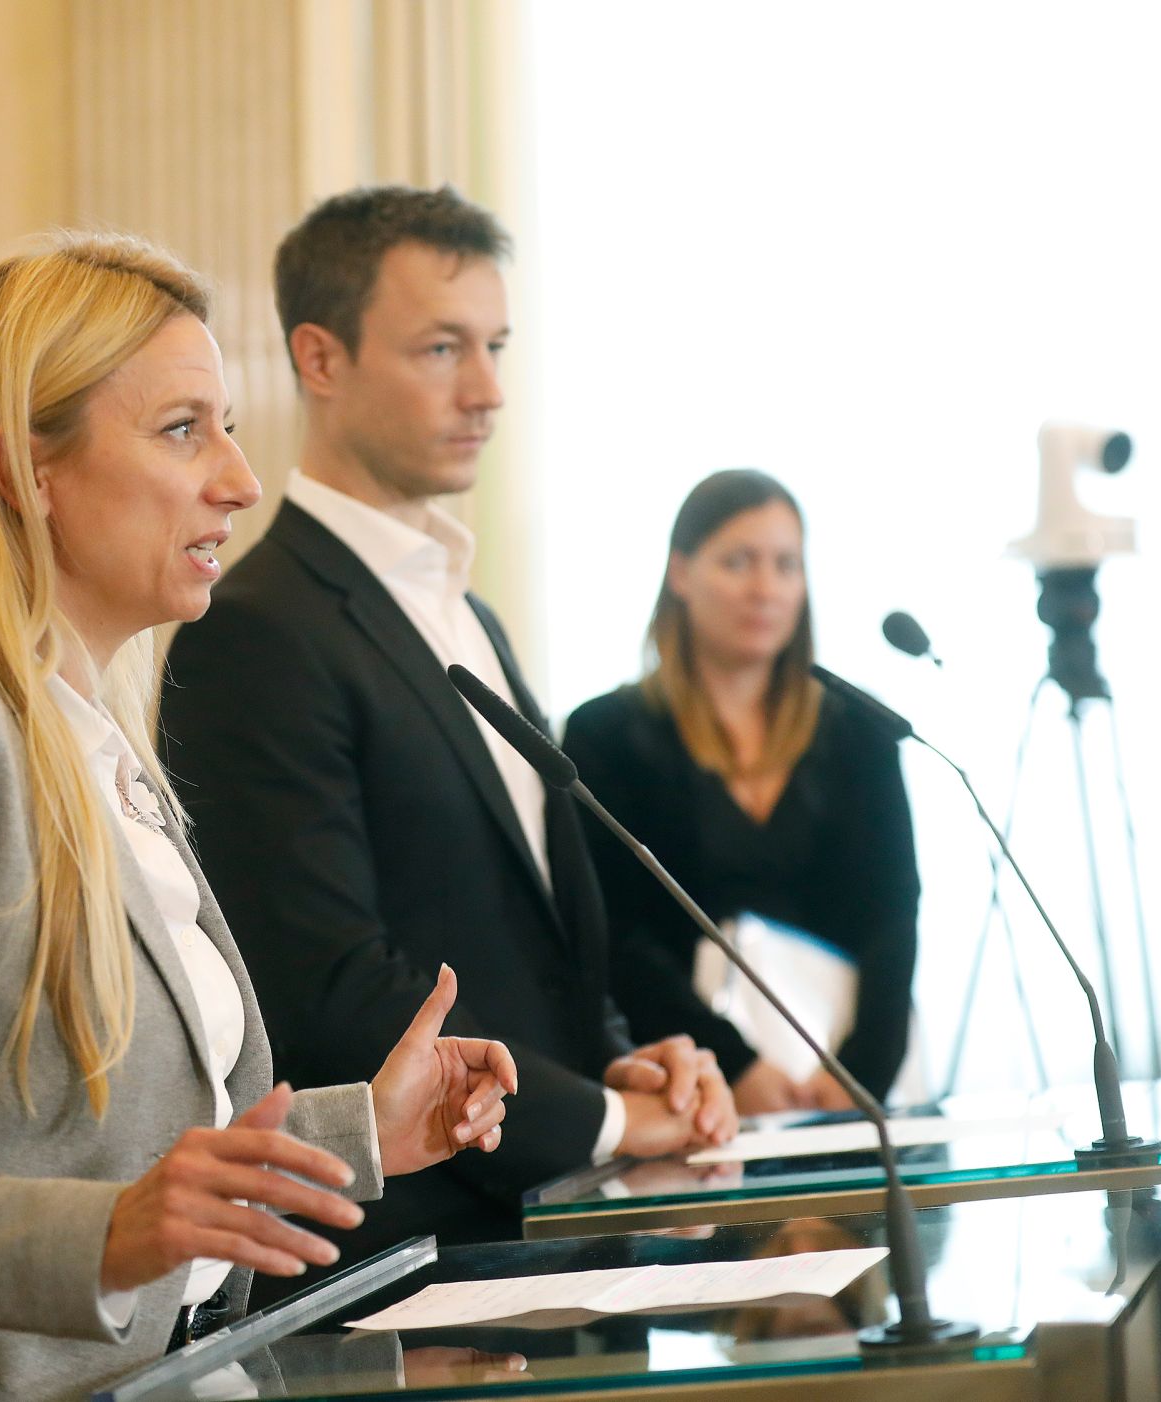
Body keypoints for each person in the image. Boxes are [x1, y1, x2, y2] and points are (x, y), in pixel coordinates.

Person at [0, 231, 520, 1402]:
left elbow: (84, 1143)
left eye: (227, 425)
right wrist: (106, 1237)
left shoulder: (93, 729)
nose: (237, 477)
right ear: (27, 469)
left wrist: (360, 1133)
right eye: (184, 429)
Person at [159, 186, 736, 1297]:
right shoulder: (255, 626)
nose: (487, 390)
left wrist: (613, 1058)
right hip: (409, 1269)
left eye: (496, 347)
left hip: (556, 1230)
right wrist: (617, 1117)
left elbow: (533, 934)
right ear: (318, 359)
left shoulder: (473, 615)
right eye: (441, 349)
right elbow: (334, 988)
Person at [562, 470, 920, 1112]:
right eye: (737, 561)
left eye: (786, 565)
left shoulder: (861, 730)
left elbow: (893, 917)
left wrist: (861, 1073)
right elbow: (617, 936)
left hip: (855, 1089)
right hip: (687, 1089)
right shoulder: (605, 735)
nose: (765, 589)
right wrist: (735, 1067)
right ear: (681, 572)